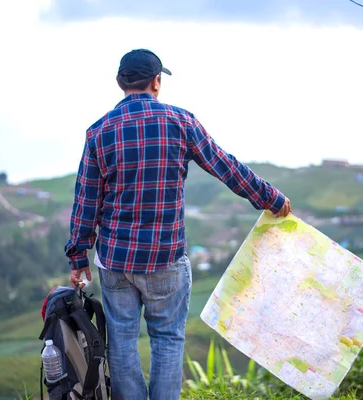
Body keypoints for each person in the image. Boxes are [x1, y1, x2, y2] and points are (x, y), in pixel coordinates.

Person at [64, 48, 292, 400]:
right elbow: (226, 167)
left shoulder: (98, 132)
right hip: (165, 260)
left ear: (120, 83)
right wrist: (270, 198)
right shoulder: (181, 122)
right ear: (157, 82)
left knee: (122, 343)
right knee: (167, 339)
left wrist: (78, 257)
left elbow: (86, 199)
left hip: (115, 262)